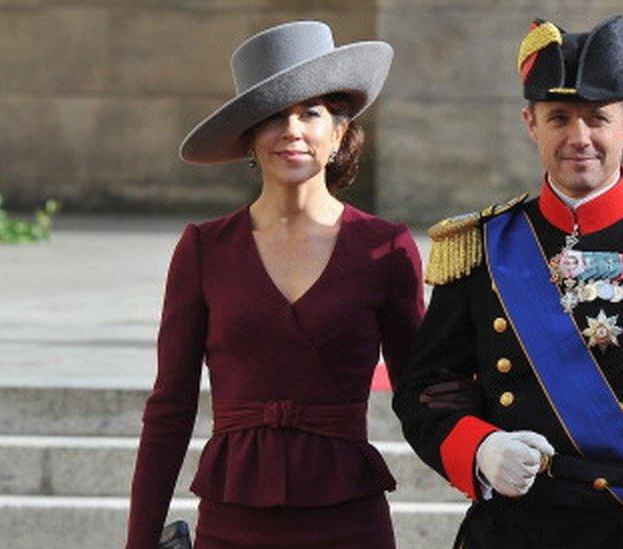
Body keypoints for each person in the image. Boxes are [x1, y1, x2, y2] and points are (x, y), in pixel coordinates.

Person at [393, 15, 623, 548]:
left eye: (598, 118)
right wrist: (479, 449)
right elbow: (426, 391)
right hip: (514, 529)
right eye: (559, 118)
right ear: (530, 123)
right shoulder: (482, 245)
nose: (580, 138)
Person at [125, 21, 424, 548]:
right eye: (272, 116)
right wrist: (139, 539)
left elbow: (421, 392)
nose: (292, 130)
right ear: (249, 139)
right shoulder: (202, 249)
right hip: (232, 520)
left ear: (339, 132)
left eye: (309, 112)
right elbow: (169, 406)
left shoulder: (387, 248)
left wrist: (482, 460)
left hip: (350, 521)